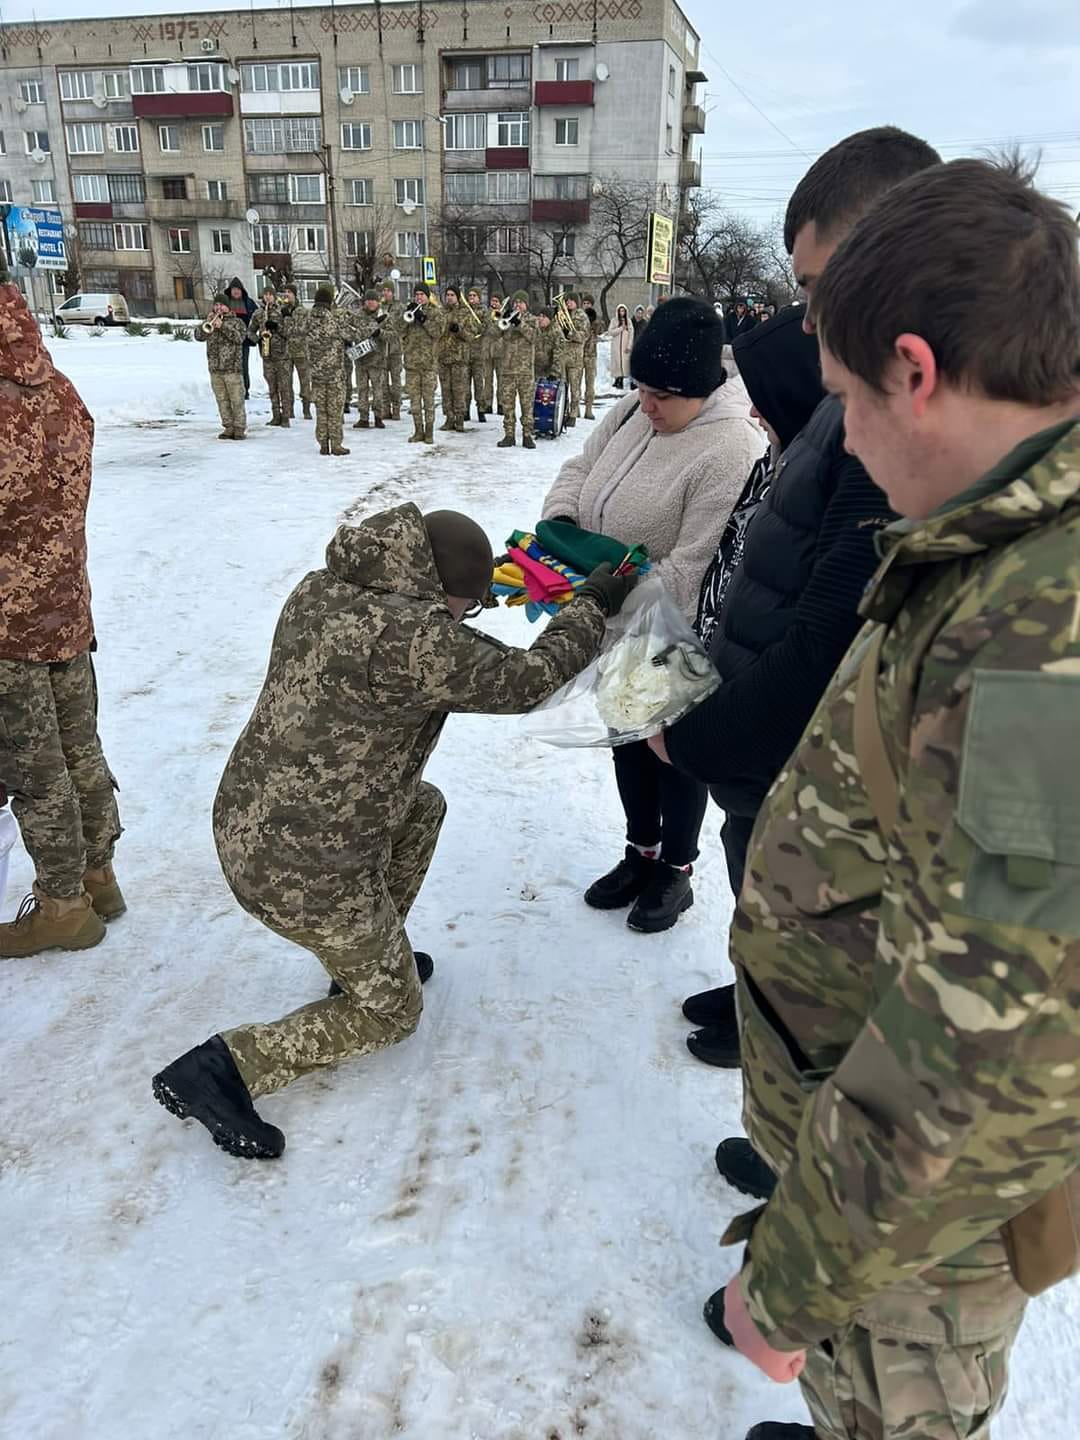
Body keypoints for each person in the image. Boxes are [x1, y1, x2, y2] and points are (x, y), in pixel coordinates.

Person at [714, 155, 1080, 1440]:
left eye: (847, 402)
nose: (848, 442)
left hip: (921, 1229)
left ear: (915, 372)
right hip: (877, 1182)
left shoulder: (1051, 639)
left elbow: (996, 1048)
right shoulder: (1012, 546)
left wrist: (794, 1287)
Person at [151, 504, 637, 1158]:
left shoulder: (325, 587)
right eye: (467, 607)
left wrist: (462, 611)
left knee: (424, 806)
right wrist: (590, 605)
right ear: (441, 594)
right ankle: (225, 1067)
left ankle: (361, 964)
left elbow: (425, 637)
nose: (467, 618)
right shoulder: (413, 639)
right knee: (393, 1015)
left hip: (252, 820)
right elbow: (528, 680)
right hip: (304, 871)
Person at [652, 128, 941, 1123]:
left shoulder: (899, 432)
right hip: (767, 782)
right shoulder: (845, 400)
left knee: (823, 1026)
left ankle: (790, 1170)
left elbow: (825, 638)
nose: (808, 324)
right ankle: (770, 1088)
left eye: (821, 289)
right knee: (769, 949)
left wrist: (692, 730)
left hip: (802, 784)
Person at [542, 298, 763, 931]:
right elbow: (579, 466)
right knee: (627, 748)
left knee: (671, 755)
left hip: (667, 631)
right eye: (641, 387)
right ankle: (640, 853)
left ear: (701, 388)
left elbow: (694, 568)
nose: (648, 404)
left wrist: (601, 593)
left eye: (663, 395)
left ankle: (676, 872)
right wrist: (562, 524)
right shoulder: (633, 413)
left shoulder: (728, 449)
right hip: (609, 620)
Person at [0, 264, 124, 959]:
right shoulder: (58, 391)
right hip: (66, 608)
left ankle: (62, 908)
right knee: (80, 748)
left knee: (35, 768)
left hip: (7, 624)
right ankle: (98, 874)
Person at [304, 282, 373, 456]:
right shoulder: (333, 320)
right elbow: (355, 334)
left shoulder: (307, 319)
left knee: (321, 410)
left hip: (316, 374)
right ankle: (335, 444)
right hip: (334, 374)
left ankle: (323, 444)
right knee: (335, 410)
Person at [194, 292, 248, 440]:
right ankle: (228, 427)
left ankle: (239, 428)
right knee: (222, 400)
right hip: (215, 368)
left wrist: (222, 326)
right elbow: (198, 336)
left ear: (227, 307)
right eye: (216, 305)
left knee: (236, 400)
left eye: (221, 305)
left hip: (232, 368)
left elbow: (239, 338)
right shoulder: (210, 321)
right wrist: (207, 322)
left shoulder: (237, 322)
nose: (218, 308)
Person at [401, 283, 445, 445]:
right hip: (412, 364)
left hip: (428, 364)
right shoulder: (410, 312)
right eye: (416, 294)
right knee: (414, 402)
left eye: (422, 294)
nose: (419, 297)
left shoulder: (436, 313)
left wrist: (423, 319)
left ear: (428, 296)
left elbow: (438, 332)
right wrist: (406, 316)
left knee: (428, 401)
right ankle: (418, 431)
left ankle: (429, 432)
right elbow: (399, 331)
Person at [497, 290, 536, 449]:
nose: (517, 305)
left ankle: (527, 435)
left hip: (525, 370)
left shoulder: (532, 320)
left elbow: (534, 337)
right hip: (507, 369)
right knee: (508, 405)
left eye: (521, 302)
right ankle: (509, 435)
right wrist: (502, 319)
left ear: (526, 305)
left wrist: (519, 324)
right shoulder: (506, 319)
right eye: (515, 302)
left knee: (527, 405)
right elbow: (494, 333)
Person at [247, 286, 291, 427]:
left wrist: (277, 327)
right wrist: (257, 339)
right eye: (265, 294)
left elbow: (289, 332)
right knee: (272, 388)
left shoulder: (282, 311)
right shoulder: (258, 313)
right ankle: (275, 416)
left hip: (282, 355)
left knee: (284, 387)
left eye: (270, 295)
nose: (267, 297)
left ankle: (285, 417)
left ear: (274, 296)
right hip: (266, 356)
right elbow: (250, 331)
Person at [437, 284, 471, 433]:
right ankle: (449, 418)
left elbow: (471, 336)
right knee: (446, 390)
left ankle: (460, 419)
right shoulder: (441, 312)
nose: (449, 297)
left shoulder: (465, 312)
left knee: (459, 390)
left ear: (457, 297)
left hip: (459, 358)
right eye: (448, 295)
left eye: (452, 295)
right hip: (443, 357)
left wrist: (459, 331)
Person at [352, 289, 386, 431]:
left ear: (378, 302)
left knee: (377, 390)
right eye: (368, 300)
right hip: (361, 359)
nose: (371, 302)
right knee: (362, 390)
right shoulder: (357, 315)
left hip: (376, 360)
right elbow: (351, 331)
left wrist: (380, 332)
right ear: (364, 302)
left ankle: (378, 417)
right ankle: (363, 417)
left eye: (373, 300)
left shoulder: (383, 316)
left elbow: (392, 335)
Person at [280, 284, 311, 421]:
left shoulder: (302, 311)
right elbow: (283, 332)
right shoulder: (283, 311)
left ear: (295, 294)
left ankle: (306, 409)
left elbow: (301, 329)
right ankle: (289, 410)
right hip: (287, 352)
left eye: (289, 292)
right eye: (285, 292)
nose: (287, 295)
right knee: (286, 383)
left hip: (301, 352)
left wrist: (287, 319)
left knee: (304, 382)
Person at [560, 292, 590, 428]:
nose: (568, 303)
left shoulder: (581, 316)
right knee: (562, 387)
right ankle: (563, 412)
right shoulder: (561, 314)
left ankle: (573, 414)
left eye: (571, 300)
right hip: (562, 357)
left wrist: (570, 333)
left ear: (576, 302)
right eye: (567, 300)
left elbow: (585, 335)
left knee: (574, 388)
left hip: (575, 358)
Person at [225, 276, 257, 398]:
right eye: (234, 289)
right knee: (229, 366)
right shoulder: (225, 302)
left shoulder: (248, 303)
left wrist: (253, 334)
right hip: (227, 342)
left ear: (242, 290)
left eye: (238, 289)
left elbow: (257, 318)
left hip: (243, 341)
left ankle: (245, 390)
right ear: (230, 290)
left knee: (243, 366)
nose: (236, 291)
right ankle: (231, 391)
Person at [379, 281, 404, 422]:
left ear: (393, 292)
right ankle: (385, 408)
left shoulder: (399, 307)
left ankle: (396, 409)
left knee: (396, 381)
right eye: (384, 290)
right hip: (382, 350)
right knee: (382, 382)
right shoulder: (380, 307)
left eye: (388, 290)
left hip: (395, 350)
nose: (386, 293)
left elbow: (400, 326)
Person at [465, 286, 490, 423]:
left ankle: (481, 409)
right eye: (470, 295)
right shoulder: (465, 310)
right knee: (465, 384)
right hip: (465, 352)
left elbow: (487, 328)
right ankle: (465, 410)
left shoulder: (483, 311)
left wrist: (476, 329)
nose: (472, 298)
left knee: (479, 384)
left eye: (474, 296)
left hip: (479, 352)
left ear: (479, 298)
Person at [579, 292, 602, 419]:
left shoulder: (595, 318)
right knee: (576, 383)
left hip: (591, 355)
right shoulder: (578, 317)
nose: (586, 305)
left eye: (588, 304)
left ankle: (588, 409)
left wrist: (593, 320)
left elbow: (600, 330)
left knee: (590, 383)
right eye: (584, 303)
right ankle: (575, 408)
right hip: (579, 354)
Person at [532, 307, 566, 383]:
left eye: (543, 317)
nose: (540, 319)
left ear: (550, 319)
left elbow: (559, 354)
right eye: (540, 316)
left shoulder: (556, 332)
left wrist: (554, 373)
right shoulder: (537, 330)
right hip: (536, 371)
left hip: (550, 374)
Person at [486, 292, 504, 418]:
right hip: (487, 351)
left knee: (501, 380)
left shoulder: (504, 315)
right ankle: (488, 404)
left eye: (496, 301)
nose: (494, 303)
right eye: (492, 301)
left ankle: (501, 404)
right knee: (487, 379)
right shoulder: (486, 314)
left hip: (500, 351)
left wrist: (499, 317)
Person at [606, 304, 633, 389]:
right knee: (617, 363)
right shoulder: (614, 321)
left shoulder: (628, 321)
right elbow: (610, 332)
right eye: (620, 311)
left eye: (623, 311)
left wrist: (629, 345)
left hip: (624, 345)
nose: (622, 313)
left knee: (624, 363)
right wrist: (621, 328)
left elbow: (631, 334)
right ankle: (617, 379)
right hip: (616, 346)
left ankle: (621, 380)